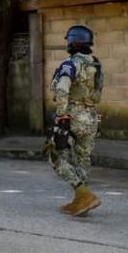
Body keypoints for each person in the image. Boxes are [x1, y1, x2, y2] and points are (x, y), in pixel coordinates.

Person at [48, 24, 104, 217]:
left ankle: (83, 194)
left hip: (72, 116)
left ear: (73, 42)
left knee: (55, 156)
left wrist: (61, 114)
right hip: (91, 117)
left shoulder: (70, 64)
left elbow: (62, 89)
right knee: (83, 159)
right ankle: (81, 202)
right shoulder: (95, 64)